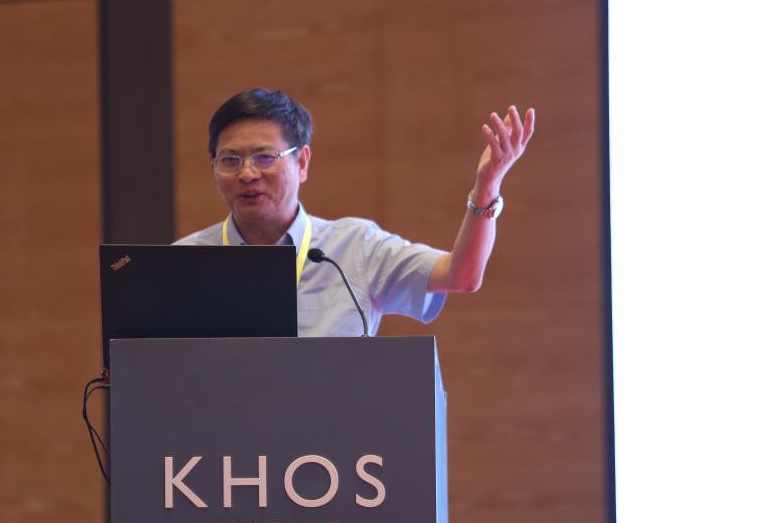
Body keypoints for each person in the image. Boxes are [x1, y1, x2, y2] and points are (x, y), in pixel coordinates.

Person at [174, 88, 535, 337]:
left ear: (302, 162)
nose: (247, 173)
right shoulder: (183, 263)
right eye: (230, 160)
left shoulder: (355, 247)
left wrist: (487, 188)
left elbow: (461, 275)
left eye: (264, 157)